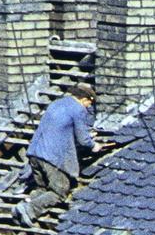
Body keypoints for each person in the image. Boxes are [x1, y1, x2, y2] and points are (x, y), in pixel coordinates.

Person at [13, 83, 97, 227]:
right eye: (89, 103)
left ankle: (20, 209)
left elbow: (59, 128)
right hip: (51, 157)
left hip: (35, 153)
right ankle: (30, 209)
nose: (88, 107)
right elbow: (83, 140)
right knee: (59, 191)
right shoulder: (78, 109)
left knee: (43, 189)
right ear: (85, 99)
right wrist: (94, 144)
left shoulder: (57, 103)